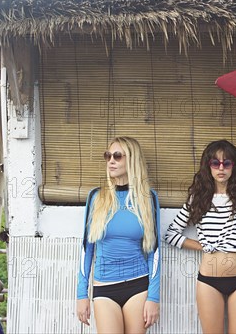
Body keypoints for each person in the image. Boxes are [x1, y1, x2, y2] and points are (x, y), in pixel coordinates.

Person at [165, 140, 236, 334]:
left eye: (227, 163)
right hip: (208, 281)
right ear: (207, 166)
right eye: (215, 163)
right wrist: (203, 245)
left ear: (234, 167)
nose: (221, 168)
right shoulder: (198, 198)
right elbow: (171, 234)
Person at [77, 136, 160, 333]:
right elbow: (86, 249)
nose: (111, 161)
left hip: (138, 285)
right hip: (104, 287)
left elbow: (155, 252)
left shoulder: (148, 198)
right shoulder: (96, 197)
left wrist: (153, 297)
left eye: (117, 156)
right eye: (108, 156)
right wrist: (82, 294)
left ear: (131, 159)